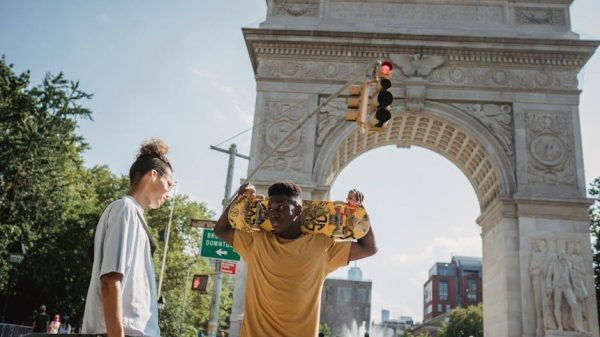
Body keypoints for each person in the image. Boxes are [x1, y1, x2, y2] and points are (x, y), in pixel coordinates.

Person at [214, 182, 377, 337]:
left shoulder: (322, 246)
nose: (273, 214)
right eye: (270, 208)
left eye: (281, 208)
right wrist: (239, 198)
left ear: (299, 210)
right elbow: (220, 230)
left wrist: (358, 212)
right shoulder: (257, 241)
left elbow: (369, 248)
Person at [82, 139, 174, 337]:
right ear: (153, 174)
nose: (168, 193)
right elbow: (110, 279)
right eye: (169, 184)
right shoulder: (125, 209)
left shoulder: (133, 215)